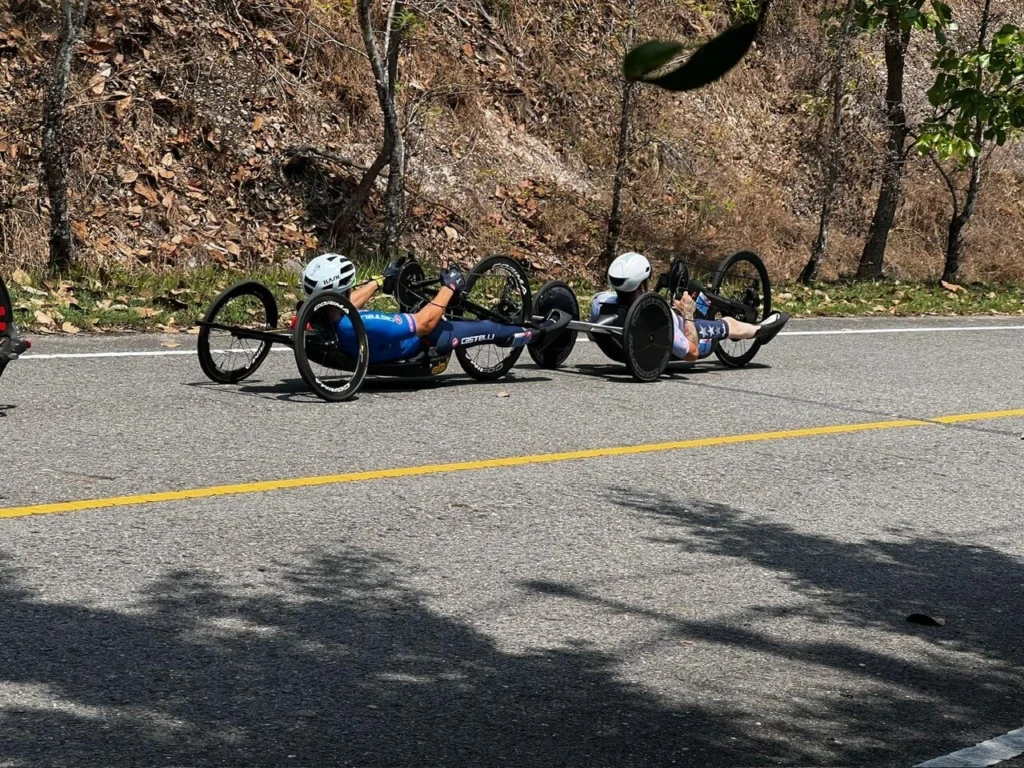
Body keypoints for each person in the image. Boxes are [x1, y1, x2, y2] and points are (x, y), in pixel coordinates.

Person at [300, 253, 569, 363]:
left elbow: (346, 303)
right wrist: (449, 287)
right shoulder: (362, 324)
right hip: (427, 339)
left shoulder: (322, 315)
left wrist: (380, 281)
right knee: (490, 328)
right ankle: (538, 333)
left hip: (390, 338)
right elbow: (424, 323)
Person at [589, 251, 790, 362]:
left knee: (692, 295)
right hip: (688, 332)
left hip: (636, 345)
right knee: (728, 323)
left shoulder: (600, 303)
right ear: (643, 282)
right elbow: (692, 354)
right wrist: (687, 314)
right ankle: (761, 330)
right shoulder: (663, 317)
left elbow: (592, 334)